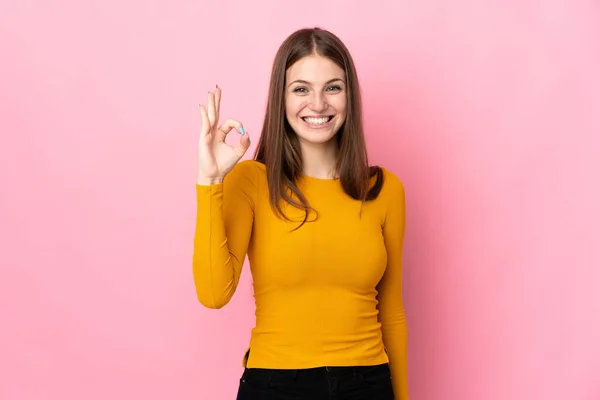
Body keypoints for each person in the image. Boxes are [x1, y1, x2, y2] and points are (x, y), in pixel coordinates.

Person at [193, 27, 409, 400]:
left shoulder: (385, 190)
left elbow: (391, 311)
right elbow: (213, 293)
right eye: (301, 89)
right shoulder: (252, 181)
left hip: (368, 384)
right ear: (282, 98)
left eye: (333, 87)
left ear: (349, 96)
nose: (318, 104)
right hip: (274, 383)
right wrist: (210, 180)